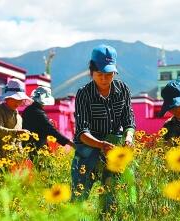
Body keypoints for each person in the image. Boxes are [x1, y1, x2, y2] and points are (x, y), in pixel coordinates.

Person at [70, 44, 136, 216]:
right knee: (79, 197)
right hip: (88, 148)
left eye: (109, 74)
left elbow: (129, 120)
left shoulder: (123, 90)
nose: (104, 79)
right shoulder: (84, 93)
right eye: (100, 74)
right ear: (91, 71)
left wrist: (128, 138)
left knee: (110, 198)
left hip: (114, 148)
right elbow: (81, 132)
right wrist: (100, 144)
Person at [0, 78, 32, 173]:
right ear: (7, 98)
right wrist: (18, 132)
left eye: (20, 99)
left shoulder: (19, 117)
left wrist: (21, 155)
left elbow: (17, 141)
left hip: (9, 159)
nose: (18, 102)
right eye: (16, 99)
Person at [22, 86, 74, 161]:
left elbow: (37, 126)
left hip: (28, 147)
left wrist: (47, 123)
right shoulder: (39, 113)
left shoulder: (27, 110)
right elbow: (52, 132)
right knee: (48, 170)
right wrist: (71, 143)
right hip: (39, 149)